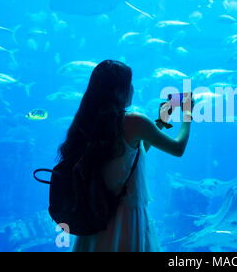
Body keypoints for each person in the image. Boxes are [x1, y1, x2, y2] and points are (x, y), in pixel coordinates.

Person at [58, 60, 192, 252]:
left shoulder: (87, 123)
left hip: (95, 214)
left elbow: (132, 155)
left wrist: (162, 120)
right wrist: (187, 116)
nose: (132, 89)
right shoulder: (134, 122)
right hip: (125, 217)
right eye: (129, 85)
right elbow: (177, 149)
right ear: (119, 90)